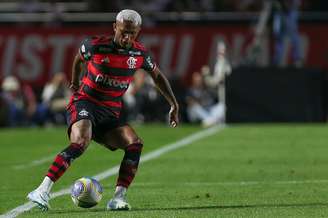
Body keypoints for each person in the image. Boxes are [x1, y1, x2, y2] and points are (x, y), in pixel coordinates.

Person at [27, 9, 179, 211]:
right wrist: (75, 81)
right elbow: (79, 59)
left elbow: (157, 76)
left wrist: (174, 104)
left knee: (135, 144)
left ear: (138, 31)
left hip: (110, 112)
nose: (127, 37)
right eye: (123, 31)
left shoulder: (140, 54)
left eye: (132, 33)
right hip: (85, 103)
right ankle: (42, 190)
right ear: (115, 27)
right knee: (80, 142)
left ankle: (118, 198)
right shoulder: (95, 45)